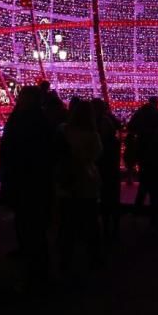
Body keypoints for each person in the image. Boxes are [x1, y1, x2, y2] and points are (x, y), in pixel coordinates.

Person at [0, 86, 54, 291]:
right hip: (30, 180)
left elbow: (12, 148)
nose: (19, 99)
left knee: (32, 226)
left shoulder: (30, 121)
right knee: (29, 225)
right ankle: (35, 266)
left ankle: (37, 272)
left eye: (23, 97)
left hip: (29, 180)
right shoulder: (38, 120)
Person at [56, 100, 103, 273]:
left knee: (67, 220)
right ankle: (93, 256)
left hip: (67, 180)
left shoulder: (63, 130)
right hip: (86, 179)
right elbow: (97, 155)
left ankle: (66, 258)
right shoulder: (93, 134)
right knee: (90, 219)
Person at [91, 99, 122, 242]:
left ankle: (103, 226)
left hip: (97, 166)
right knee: (111, 196)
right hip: (108, 166)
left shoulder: (91, 122)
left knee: (100, 196)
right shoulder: (108, 120)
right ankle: (112, 226)